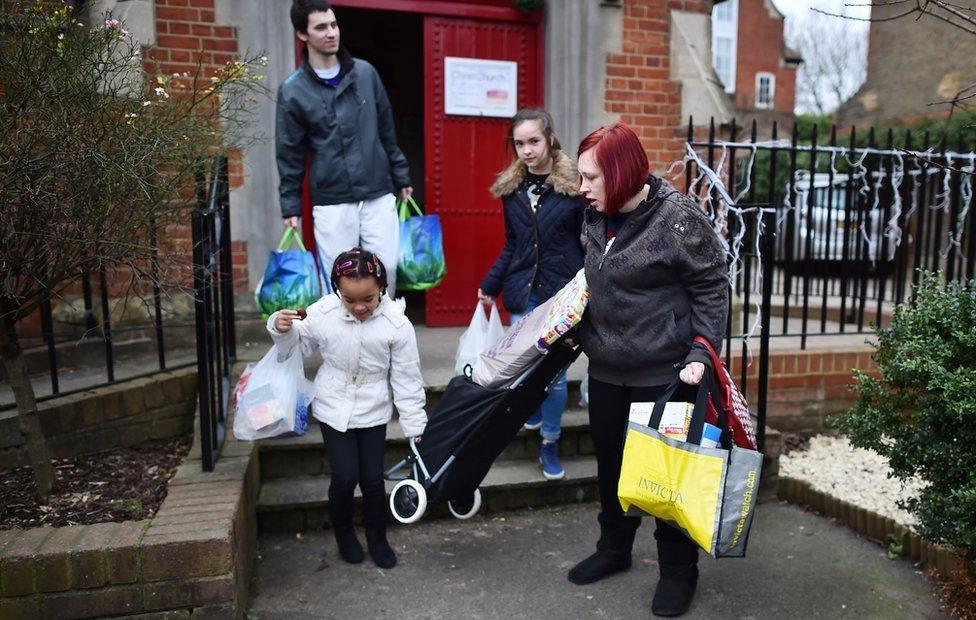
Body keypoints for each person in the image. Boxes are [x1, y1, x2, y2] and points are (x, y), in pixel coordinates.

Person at [568, 123, 729, 617]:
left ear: (619, 174)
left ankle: (679, 573)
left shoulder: (677, 218)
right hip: (608, 369)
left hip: (667, 374)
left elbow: (712, 287)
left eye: (591, 178)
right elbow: (595, 277)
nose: (582, 188)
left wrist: (702, 351)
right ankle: (614, 550)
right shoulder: (594, 215)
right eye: (580, 177)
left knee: (666, 478)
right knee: (612, 469)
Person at [267, 248, 426, 569]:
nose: (359, 307)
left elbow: (408, 379)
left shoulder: (397, 324)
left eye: (367, 298)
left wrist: (415, 426)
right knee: (344, 476)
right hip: (332, 404)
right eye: (349, 299)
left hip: (374, 407)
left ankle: (377, 538)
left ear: (381, 287)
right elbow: (296, 346)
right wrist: (279, 326)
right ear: (337, 290)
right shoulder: (323, 313)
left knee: (371, 479)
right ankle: (344, 535)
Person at [476, 108, 586, 481]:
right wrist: (490, 284)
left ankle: (549, 442)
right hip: (523, 293)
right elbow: (513, 244)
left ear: (550, 139)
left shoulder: (576, 188)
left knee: (553, 377)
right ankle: (534, 411)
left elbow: (588, 240)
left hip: (560, 295)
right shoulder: (512, 191)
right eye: (519, 143)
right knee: (523, 367)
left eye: (533, 141)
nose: (526, 150)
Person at [276, 0, 413, 295]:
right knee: (338, 277)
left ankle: (381, 338)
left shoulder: (365, 74)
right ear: (303, 34)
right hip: (332, 197)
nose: (331, 33)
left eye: (334, 24)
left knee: (385, 268)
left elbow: (387, 131)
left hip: (377, 189)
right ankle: (341, 341)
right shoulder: (293, 90)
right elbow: (290, 152)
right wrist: (290, 204)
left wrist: (401, 175)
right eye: (321, 27)